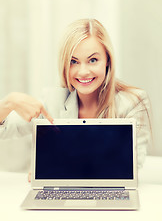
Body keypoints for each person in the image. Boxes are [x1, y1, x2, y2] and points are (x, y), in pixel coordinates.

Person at [0, 19, 152, 172]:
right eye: (73, 61)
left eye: (93, 60)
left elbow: (129, 169)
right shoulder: (53, 101)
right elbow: (3, 130)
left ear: (107, 60)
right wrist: (8, 103)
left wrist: (52, 167)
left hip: (109, 193)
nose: (83, 71)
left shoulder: (133, 103)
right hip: (62, 194)